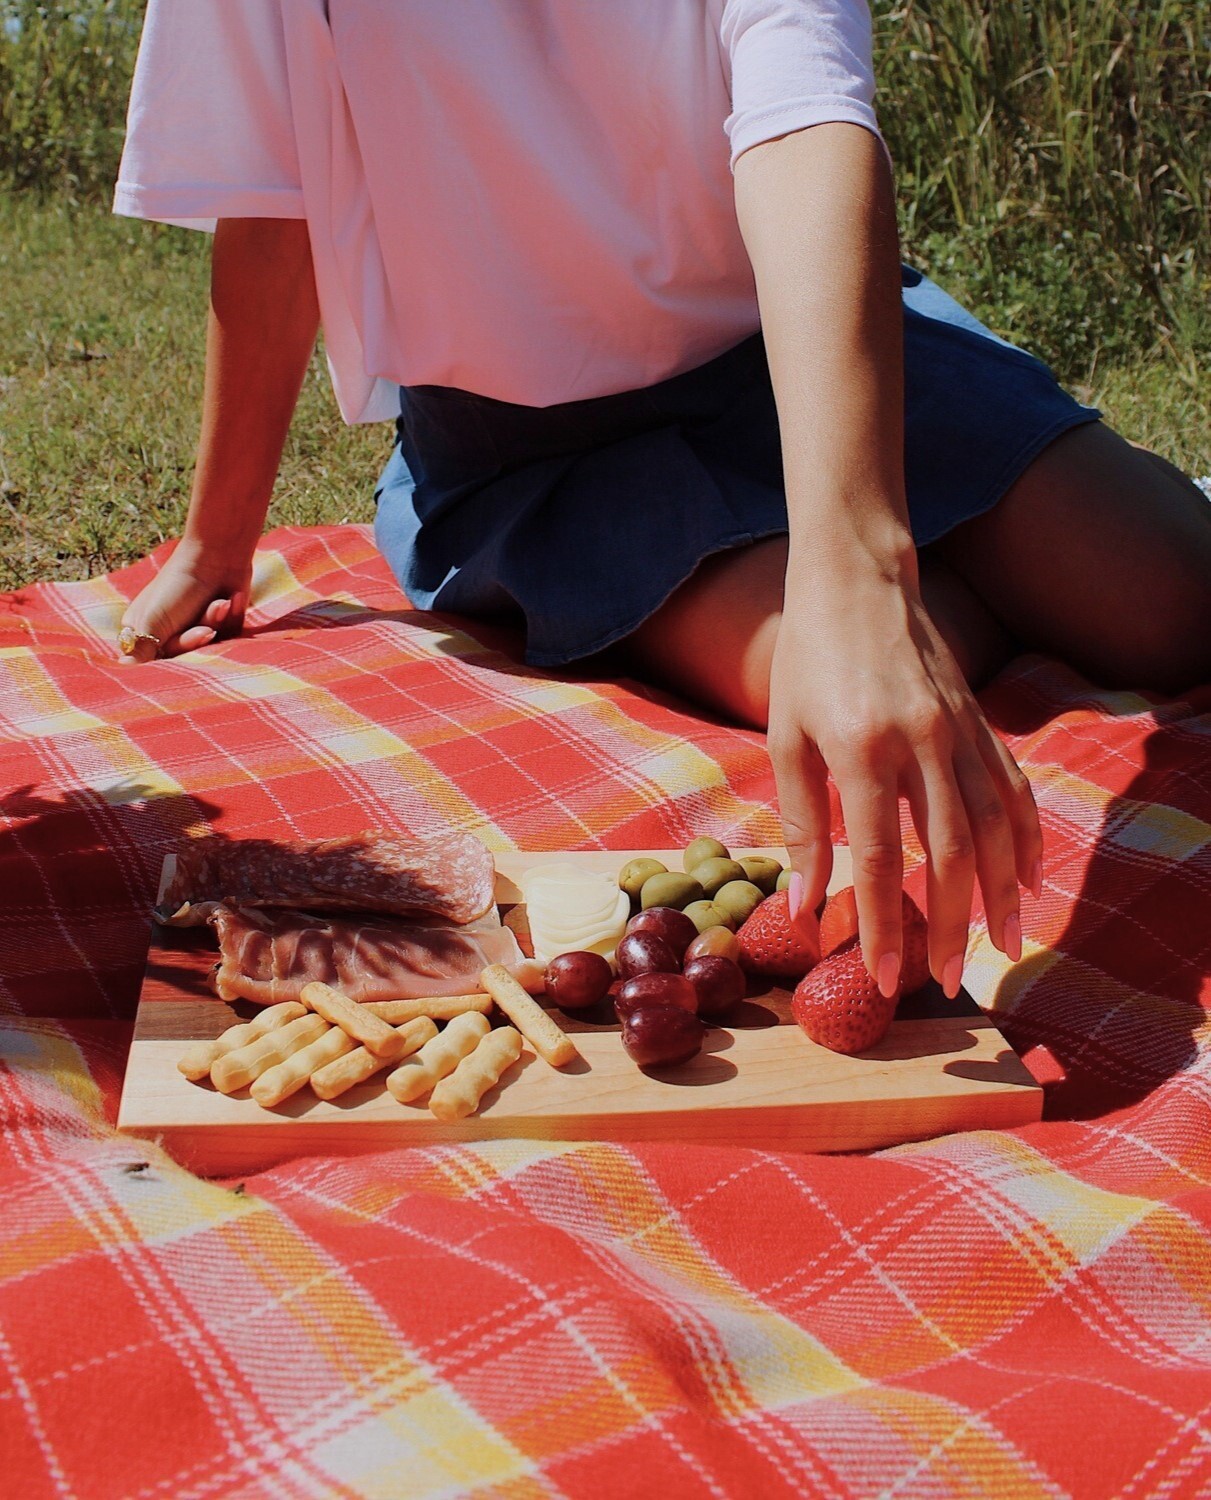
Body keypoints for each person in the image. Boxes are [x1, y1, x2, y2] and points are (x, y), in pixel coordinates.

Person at [112, 2, 1211, 1006]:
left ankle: (938, 532)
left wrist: (861, 563)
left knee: (1171, 602)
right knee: (861, 676)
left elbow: (804, 114)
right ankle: (944, 562)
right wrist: (216, 539)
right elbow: (273, 195)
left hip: (796, 337)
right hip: (538, 445)